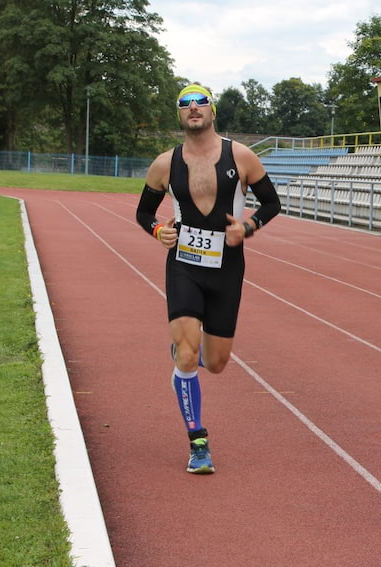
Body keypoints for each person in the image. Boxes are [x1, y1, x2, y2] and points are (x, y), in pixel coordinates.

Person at [135, 84, 281, 474]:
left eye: (201, 102)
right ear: (179, 114)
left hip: (227, 268)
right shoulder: (165, 164)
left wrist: (247, 227)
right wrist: (157, 231)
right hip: (183, 263)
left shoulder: (241, 155)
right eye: (185, 103)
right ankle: (198, 442)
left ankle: (191, 353)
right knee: (186, 354)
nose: (194, 107)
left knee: (215, 363)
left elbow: (272, 203)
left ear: (213, 111)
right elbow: (144, 212)